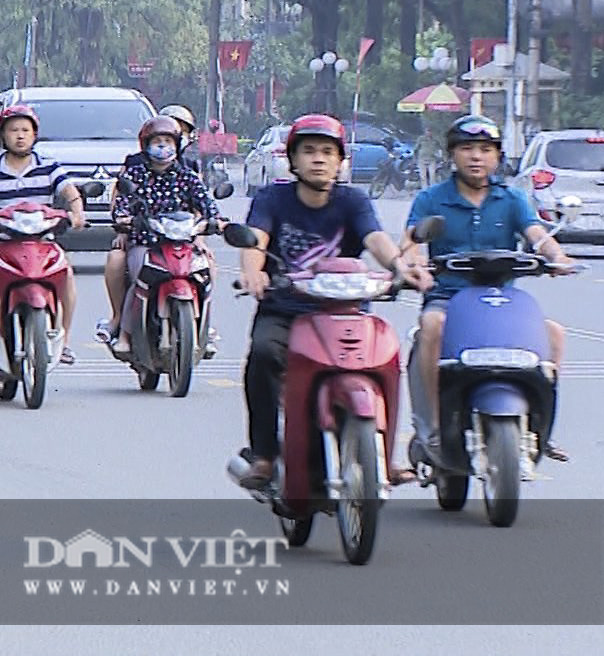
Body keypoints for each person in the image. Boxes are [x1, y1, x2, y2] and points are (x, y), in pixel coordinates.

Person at [235, 114, 431, 490]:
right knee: (262, 353)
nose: (319, 159)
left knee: (386, 360)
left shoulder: (353, 200)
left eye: (328, 152)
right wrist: (254, 272)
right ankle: (263, 454)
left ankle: (383, 457)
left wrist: (400, 267)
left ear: (342, 161)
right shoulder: (272, 198)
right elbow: (256, 241)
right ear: (292, 160)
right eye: (308, 151)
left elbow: (376, 239)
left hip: (347, 313)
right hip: (285, 311)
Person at [403, 114, 574, 464]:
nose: (476, 157)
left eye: (485, 149)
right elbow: (411, 242)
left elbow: (536, 235)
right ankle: (434, 426)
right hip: (448, 297)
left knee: (554, 334)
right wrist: (415, 264)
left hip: (502, 301)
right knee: (432, 326)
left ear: (497, 156)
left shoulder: (511, 199)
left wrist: (557, 256)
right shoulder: (431, 199)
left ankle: (540, 429)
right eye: (467, 148)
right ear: (453, 154)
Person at [0, 104, 87, 366]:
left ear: (34, 134)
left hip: (42, 244)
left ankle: (64, 340)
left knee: (66, 275)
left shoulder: (49, 168)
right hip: (1, 244)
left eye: (25, 130)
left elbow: (70, 193)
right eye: (13, 130)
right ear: (2, 135)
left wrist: (77, 213)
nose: (20, 135)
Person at [98, 115, 220, 357]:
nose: (163, 146)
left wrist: (217, 222)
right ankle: (124, 333)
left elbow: (206, 204)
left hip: (182, 242)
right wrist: (124, 222)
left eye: (168, 141)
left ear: (178, 144)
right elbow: (121, 204)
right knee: (140, 276)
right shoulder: (135, 174)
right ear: (146, 144)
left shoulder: (188, 176)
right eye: (158, 141)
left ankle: (204, 328)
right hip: (146, 243)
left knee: (206, 266)